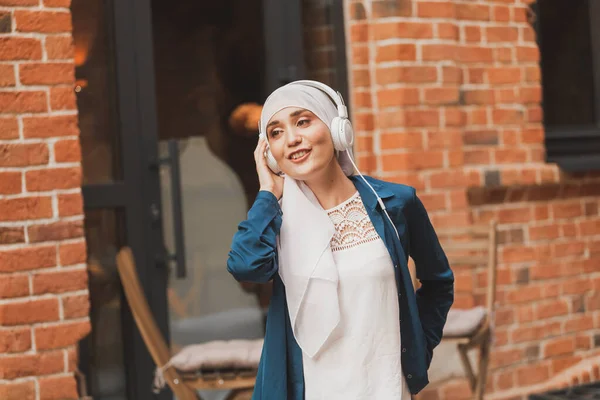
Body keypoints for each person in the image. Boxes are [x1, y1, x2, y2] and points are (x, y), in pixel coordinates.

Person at [227, 80, 454, 400]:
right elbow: (246, 267)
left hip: (386, 389)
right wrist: (267, 192)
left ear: (337, 129)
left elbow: (438, 282)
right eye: (276, 132)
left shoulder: (394, 203)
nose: (291, 139)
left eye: (303, 121)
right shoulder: (275, 219)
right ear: (270, 153)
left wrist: (418, 347)